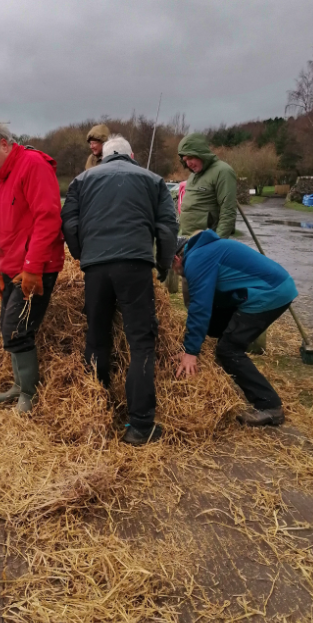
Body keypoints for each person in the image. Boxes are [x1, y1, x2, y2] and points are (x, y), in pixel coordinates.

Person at [62, 135, 179, 446]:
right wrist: (163, 265)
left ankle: (96, 415)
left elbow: (69, 223)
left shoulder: (81, 180)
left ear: (103, 157)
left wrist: (82, 255)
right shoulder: (153, 180)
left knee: (97, 338)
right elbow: (167, 227)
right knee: (140, 342)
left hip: (96, 268)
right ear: (132, 155)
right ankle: (140, 426)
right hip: (135, 265)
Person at [0, 121, 64, 412]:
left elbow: (48, 218)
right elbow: (0, 232)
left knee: (17, 330)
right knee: (7, 326)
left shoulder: (33, 165)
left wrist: (33, 266)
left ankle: (29, 393)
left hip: (36, 266)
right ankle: (19, 384)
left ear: (4, 144)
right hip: (11, 266)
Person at [172, 230, 298, 426]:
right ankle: (232, 370)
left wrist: (190, 352)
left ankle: (269, 406)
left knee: (228, 349)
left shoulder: (197, 259)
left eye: (171, 267)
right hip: (272, 286)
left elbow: (200, 306)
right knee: (214, 326)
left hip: (270, 292)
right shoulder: (201, 251)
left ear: (176, 258)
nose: (173, 272)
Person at [178, 133, 237, 238]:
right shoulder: (193, 175)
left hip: (207, 241)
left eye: (190, 158)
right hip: (187, 240)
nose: (188, 164)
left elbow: (228, 213)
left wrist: (217, 243)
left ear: (201, 153)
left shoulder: (223, 171)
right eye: (185, 160)